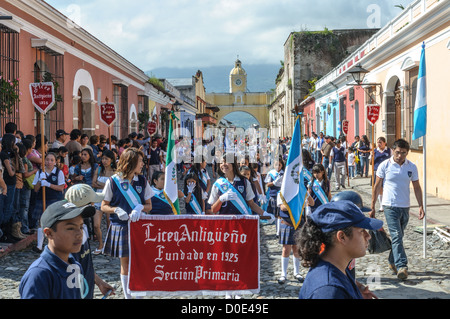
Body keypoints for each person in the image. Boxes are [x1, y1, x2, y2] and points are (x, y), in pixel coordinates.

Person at [297, 200, 383, 299]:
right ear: (342, 237)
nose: (368, 236)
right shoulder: (329, 291)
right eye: (361, 231)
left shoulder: (339, 267)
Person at [100, 147, 152, 299]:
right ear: (131, 162)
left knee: (140, 262)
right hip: (121, 226)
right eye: (140, 161)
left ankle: (140, 294)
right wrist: (116, 210)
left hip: (139, 226)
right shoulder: (113, 182)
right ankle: (128, 296)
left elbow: (149, 205)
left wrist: (141, 207)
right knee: (126, 264)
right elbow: (103, 205)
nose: (142, 164)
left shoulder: (142, 180)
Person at [370, 139, 424, 280]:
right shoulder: (385, 165)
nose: (400, 156)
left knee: (398, 237)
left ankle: (391, 260)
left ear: (407, 153)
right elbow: (376, 186)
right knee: (396, 235)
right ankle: (402, 266)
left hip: (405, 206)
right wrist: (373, 206)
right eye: (398, 152)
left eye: (403, 153)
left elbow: (417, 187)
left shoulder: (411, 167)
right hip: (390, 205)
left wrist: (420, 205)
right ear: (393, 150)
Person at [19, 200, 96, 299]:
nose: (79, 234)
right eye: (70, 228)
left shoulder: (75, 266)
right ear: (49, 233)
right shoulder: (39, 275)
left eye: (81, 227)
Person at [64, 184, 116, 299]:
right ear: (86, 206)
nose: (94, 205)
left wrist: (99, 282)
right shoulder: (72, 235)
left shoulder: (83, 228)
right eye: (92, 203)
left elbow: (85, 262)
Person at [32, 152, 66, 251]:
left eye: (52, 160)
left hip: (54, 200)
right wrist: (40, 180)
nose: (49, 162)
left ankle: (55, 244)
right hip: (41, 199)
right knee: (41, 222)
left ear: (55, 162)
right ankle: (39, 246)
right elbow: (35, 189)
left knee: (54, 222)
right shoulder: (39, 172)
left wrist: (48, 184)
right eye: (47, 160)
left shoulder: (58, 172)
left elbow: (61, 188)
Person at [92, 149, 116, 254]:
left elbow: (114, 186)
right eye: (103, 158)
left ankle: (109, 243)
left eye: (106, 159)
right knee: (96, 224)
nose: (104, 161)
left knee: (109, 223)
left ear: (111, 160)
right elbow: (93, 183)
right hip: (98, 198)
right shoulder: (99, 169)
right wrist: (106, 186)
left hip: (110, 200)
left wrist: (101, 185)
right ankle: (101, 244)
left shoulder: (115, 171)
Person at [372, 137, 392, 212]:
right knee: (379, 188)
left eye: (380, 142)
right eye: (378, 142)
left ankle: (387, 203)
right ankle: (381, 205)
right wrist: (372, 156)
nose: (379, 144)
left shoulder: (389, 150)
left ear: (384, 143)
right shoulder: (374, 151)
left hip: (387, 172)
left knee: (386, 188)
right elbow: (371, 163)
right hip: (377, 171)